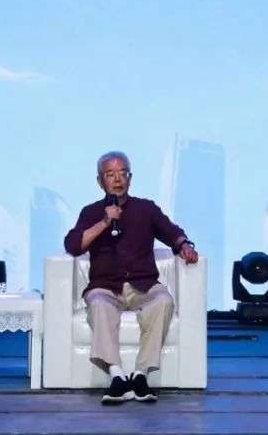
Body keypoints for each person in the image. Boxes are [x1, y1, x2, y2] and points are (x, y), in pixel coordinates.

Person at [63, 151, 199, 404]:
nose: (117, 179)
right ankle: (117, 376)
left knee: (164, 301)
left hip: (143, 285)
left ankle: (140, 375)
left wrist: (184, 245)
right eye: (110, 174)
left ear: (130, 178)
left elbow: (172, 232)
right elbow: (73, 245)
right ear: (100, 181)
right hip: (105, 287)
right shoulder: (91, 212)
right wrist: (105, 222)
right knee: (99, 305)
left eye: (122, 173)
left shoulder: (146, 209)